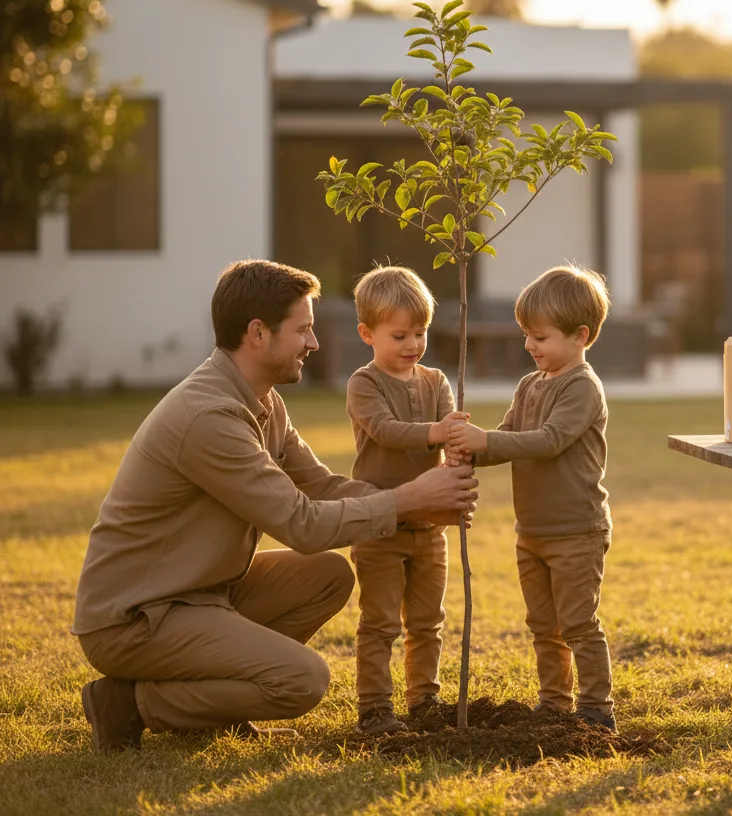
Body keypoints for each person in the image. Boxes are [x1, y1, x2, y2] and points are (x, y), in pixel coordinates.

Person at [73, 259, 478, 751]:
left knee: (328, 577)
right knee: (301, 681)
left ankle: (216, 700)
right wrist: (407, 498)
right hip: (136, 617)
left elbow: (322, 486)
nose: (315, 343)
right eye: (303, 329)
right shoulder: (210, 416)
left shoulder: (263, 402)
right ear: (258, 333)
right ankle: (127, 704)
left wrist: (416, 509)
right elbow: (301, 523)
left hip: (201, 592)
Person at [448, 264, 616, 730]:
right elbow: (506, 435)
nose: (529, 345)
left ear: (580, 335)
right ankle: (555, 703)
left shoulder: (582, 387)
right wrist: (469, 452)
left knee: (579, 624)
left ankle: (598, 709)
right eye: (527, 335)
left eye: (539, 337)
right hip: (533, 532)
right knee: (543, 625)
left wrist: (487, 442)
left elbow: (548, 441)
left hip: (577, 531)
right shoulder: (529, 385)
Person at [345, 265, 468, 734]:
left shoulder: (436, 381)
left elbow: (447, 433)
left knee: (427, 619)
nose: (412, 344)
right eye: (399, 335)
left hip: (429, 526)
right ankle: (375, 707)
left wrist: (457, 445)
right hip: (379, 524)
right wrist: (440, 430)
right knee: (379, 622)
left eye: (420, 333)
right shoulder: (365, 384)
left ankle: (424, 700)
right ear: (367, 333)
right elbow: (386, 431)